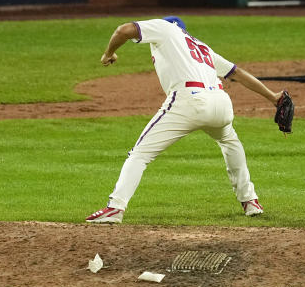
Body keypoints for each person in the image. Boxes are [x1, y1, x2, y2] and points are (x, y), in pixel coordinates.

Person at [86, 16, 285, 223]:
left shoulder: (166, 28)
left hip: (189, 101)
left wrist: (109, 53)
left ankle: (115, 208)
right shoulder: (202, 48)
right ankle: (250, 202)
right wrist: (272, 97)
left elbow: (123, 30)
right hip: (221, 103)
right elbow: (238, 73)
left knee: (140, 154)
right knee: (229, 142)